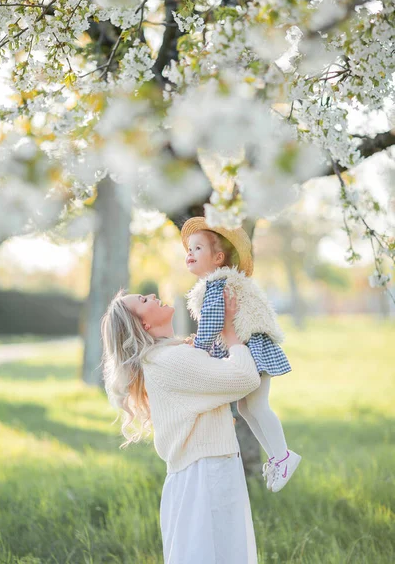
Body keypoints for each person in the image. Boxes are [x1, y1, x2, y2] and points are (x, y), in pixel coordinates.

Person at [101, 288, 261, 564]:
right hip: (205, 474)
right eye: (143, 300)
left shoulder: (169, 355)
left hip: (202, 470)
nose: (151, 295)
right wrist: (231, 335)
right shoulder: (170, 361)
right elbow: (244, 378)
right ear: (144, 325)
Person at [181, 216, 301, 493]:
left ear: (218, 258)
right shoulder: (216, 284)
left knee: (257, 406)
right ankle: (275, 457)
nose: (190, 253)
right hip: (249, 347)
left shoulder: (218, 284)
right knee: (247, 408)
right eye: (189, 249)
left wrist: (199, 348)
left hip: (252, 347)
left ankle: (283, 456)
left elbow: (212, 322)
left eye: (198, 248)